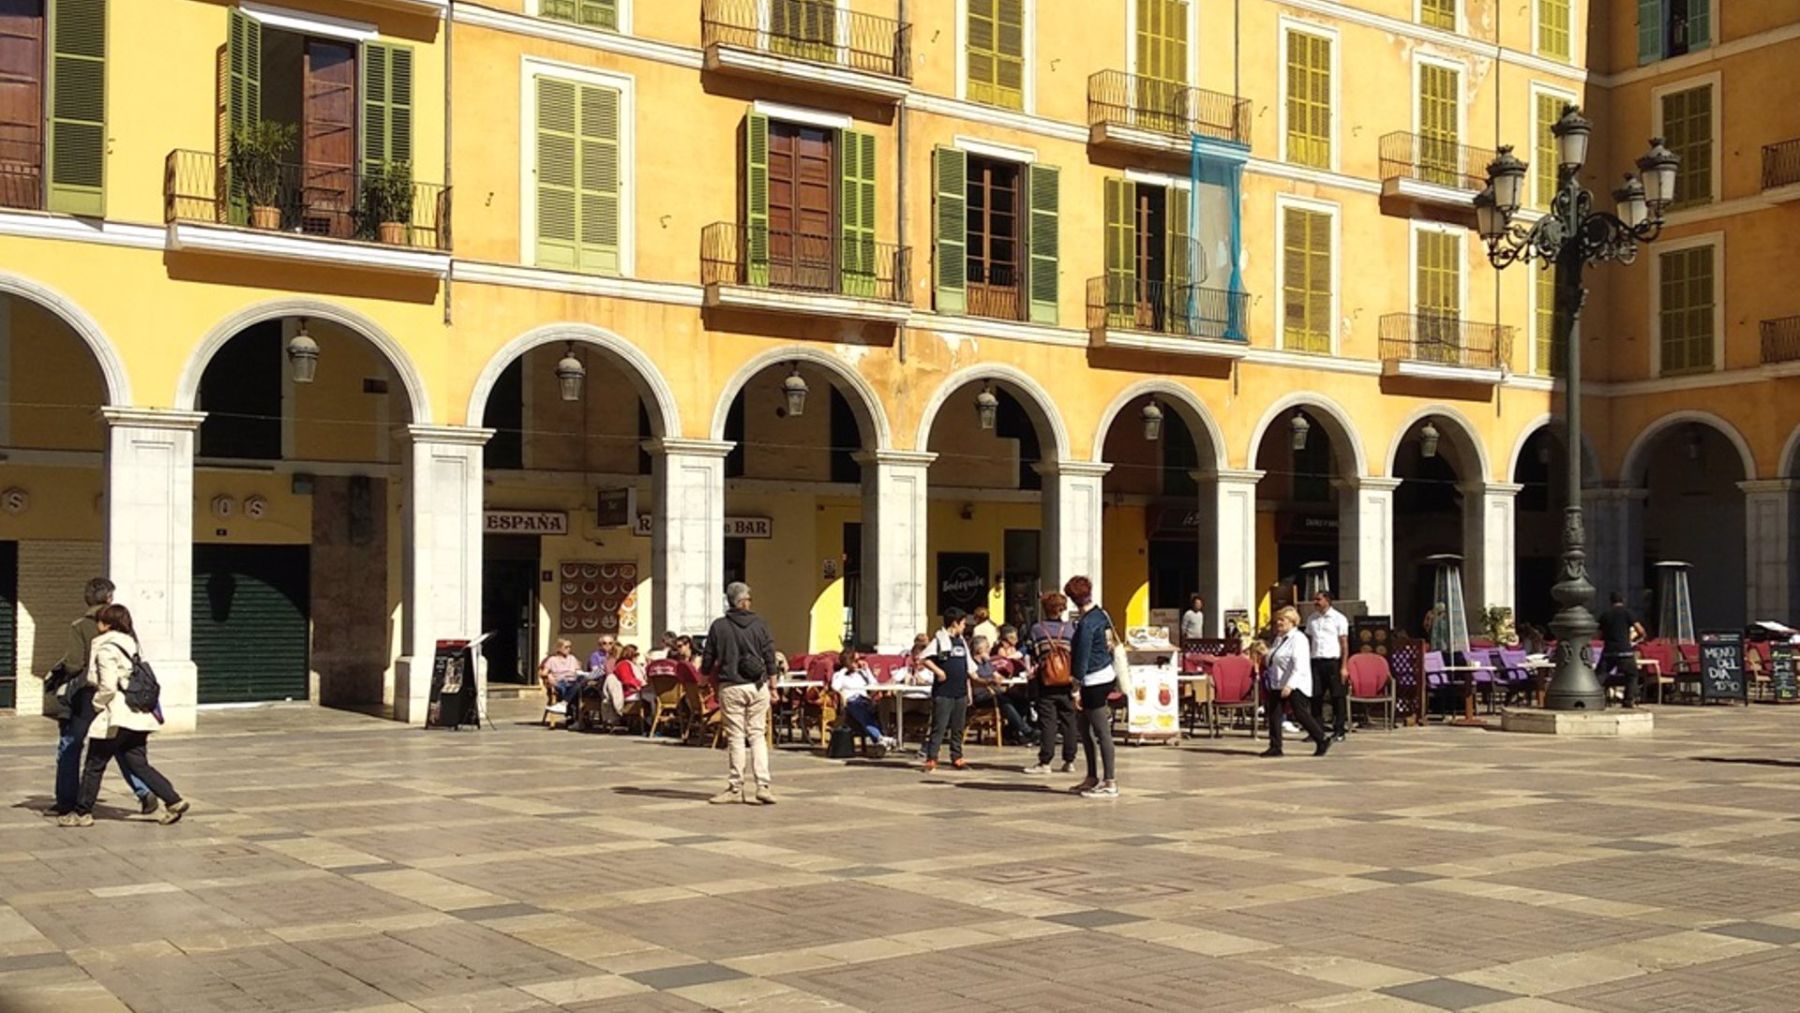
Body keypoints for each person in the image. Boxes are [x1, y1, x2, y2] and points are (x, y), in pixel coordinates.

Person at [62, 604, 188, 827]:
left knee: (94, 764)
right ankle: (173, 800)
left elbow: (108, 687)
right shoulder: (132, 645)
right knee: (139, 764)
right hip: (139, 715)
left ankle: (82, 813)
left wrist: (97, 704)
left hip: (117, 715)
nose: (97, 625)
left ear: (107, 624)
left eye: (100, 621)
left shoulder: (106, 648)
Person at [49, 578, 152, 817]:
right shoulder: (123, 625)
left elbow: (74, 664)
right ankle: (144, 792)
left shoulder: (80, 625)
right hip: (117, 695)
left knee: (70, 744)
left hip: (86, 694)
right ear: (109, 598)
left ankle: (66, 800)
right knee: (120, 745)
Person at [702, 582, 779, 805]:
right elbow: (769, 657)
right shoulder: (760, 624)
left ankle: (735, 787)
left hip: (731, 685)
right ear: (745, 601)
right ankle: (763, 785)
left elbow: (708, 657)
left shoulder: (719, 626)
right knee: (757, 735)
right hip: (757, 686)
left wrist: (704, 679)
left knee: (736, 736)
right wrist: (773, 687)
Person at [1066, 576, 1120, 798]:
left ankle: (1110, 781)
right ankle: (1091, 777)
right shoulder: (1101, 614)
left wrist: (1075, 686)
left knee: (1100, 731)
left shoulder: (1087, 623)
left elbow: (1082, 657)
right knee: (1085, 729)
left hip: (1093, 680)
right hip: (1105, 673)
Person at [1262, 606, 1332, 758]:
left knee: (1300, 713)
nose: (1278, 623)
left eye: (1282, 620)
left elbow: (1299, 664)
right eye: (1277, 620)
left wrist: (1290, 685)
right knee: (1274, 714)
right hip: (1277, 682)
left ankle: (1321, 739)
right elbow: (1274, 658)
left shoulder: (1298, 639)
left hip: (1294, 683)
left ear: (1292, 622)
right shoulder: (1279, 638)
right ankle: (1275, 746)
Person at [1023, 592, 1079, 775]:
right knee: (1069, 720)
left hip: (1045, 681)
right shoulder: (1071, 629)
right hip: (1067, 681)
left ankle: (1045, 761)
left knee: (1048, 722)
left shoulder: (1037, 629)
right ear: (1062, 609)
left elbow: (1030, 652)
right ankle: (1069, 760)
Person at [920, 609, 973, 772]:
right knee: (939, 726)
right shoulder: (939, 640)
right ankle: (932, 758)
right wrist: (939, 672)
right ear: (955, 623)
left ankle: (957, 757)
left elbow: (968, 667)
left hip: (960, 691)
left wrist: (969, 690)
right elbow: (924, 658)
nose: (964, 627)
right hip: (944, 692)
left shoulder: (962, 641)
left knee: (958, 727)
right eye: (963, 623)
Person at [970, 636, 1035, 745]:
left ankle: (1010, 733)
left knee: (1021, 699)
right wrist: (989, 681)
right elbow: (974, 680)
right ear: (980, 650)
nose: (989, 650)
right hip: (981, 696)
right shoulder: (972, 664)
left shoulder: (987, 662)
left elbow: (997, 675)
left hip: (995, 692)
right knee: (1004, 701)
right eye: (987, 648)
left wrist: (1002, 678)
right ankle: (1027, 731)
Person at [831, 647, 894, 756]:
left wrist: (867, 670)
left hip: (866, 700)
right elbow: (835, 687)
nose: (859, 662)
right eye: (856, 660)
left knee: (885, 704)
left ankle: (881, 740)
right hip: (851, 702)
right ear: (848, 661)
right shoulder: (839, 675)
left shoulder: (861, 673)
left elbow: (874, 685)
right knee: (859, 708)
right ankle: (881, 739)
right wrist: (845, 669)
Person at [1306, 591, 1351, 741]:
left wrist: (1344, 666)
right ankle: (1316, 730)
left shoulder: (1338, 618)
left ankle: (1339, 730)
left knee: (1337, 696)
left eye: (1319, 599)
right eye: (1315, 599)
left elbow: (1344, 643)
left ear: (1328, 600)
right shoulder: (1312, 619)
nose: (1316, 602)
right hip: (1316, 661)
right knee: (1315, 695)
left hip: (1333, 661)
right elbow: (1309, 640)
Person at [1596, 592, 1646, 708]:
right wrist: (1634, 640)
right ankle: (1628, 700)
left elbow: (1598, 635)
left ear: (1610, 601)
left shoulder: (1605, 615)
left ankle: (1596, 697)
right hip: (1625, 650)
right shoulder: (1628, 613)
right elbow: (1641, 631)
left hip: (1609, 651)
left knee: (1600, 675)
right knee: (1632, 675)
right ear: (1623, 600)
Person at [603, 644, 647, 725]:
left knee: (653, 695)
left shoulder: (633, 664)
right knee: (653, 697)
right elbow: (627, 680)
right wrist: (641, 683)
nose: (637, 657)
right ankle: (651, 722)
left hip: (636, 691)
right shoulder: (623, 664)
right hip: (630, 692)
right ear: (630, 654)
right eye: (636, 655)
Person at [538, 639, 581, 705]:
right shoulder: (552, 660)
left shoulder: (572, 658)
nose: (569, 649)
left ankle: (564, 704)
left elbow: (579, 671)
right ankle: (567, 705)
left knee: (579, 684)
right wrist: (549, 675)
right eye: (566, 647)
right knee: (576, 687)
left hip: (572, 681)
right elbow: (543, 673)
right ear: (559, 648)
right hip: (560, 682)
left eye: (570, 647)